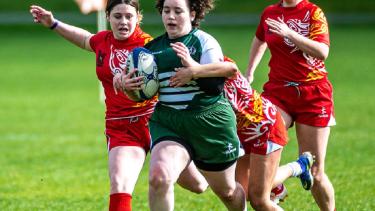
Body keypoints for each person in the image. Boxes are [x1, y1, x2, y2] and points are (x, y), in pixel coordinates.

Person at [30, 1, 207, 211]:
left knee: (198, 185)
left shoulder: (149, 45)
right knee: (119, 185)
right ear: (108, 17)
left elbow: (170, 80)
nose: (123, 21)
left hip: (156, 123)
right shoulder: (103, 41)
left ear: (138, 18)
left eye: (129, 16)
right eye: (117, 16)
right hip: (121, 127)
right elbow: (85, 39)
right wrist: (53, 23)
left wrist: (136, 86)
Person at [120, 0, 247, 210]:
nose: (170, 16)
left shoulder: (204, 42)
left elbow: (215, 87)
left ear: (193, 14)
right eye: (166, 11)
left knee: (228, 192)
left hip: (209, 123)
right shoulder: (150, 51)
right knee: (159, 177)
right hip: (169, 122)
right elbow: (140, 96)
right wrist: (129, 87)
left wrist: (194, 69)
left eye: (178, 11)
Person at [171, 56, 315, 210]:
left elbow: (230, 68)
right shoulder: (188, 74)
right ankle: (295, 169)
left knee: (259, 200)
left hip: (264, 125)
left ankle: (297, 167)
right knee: (243, 191)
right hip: (241, 134)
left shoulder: (215, 59)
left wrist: (193, 71)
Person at [246, 0, 336, 210]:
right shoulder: (270, 12)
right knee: (254, 138)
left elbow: (322, 52)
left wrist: (290, 34)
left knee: (316, 172)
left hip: (313, 94)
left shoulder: (313, 12)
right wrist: (250, 71)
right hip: (278, 92)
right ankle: (274, 185)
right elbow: (260, 39)